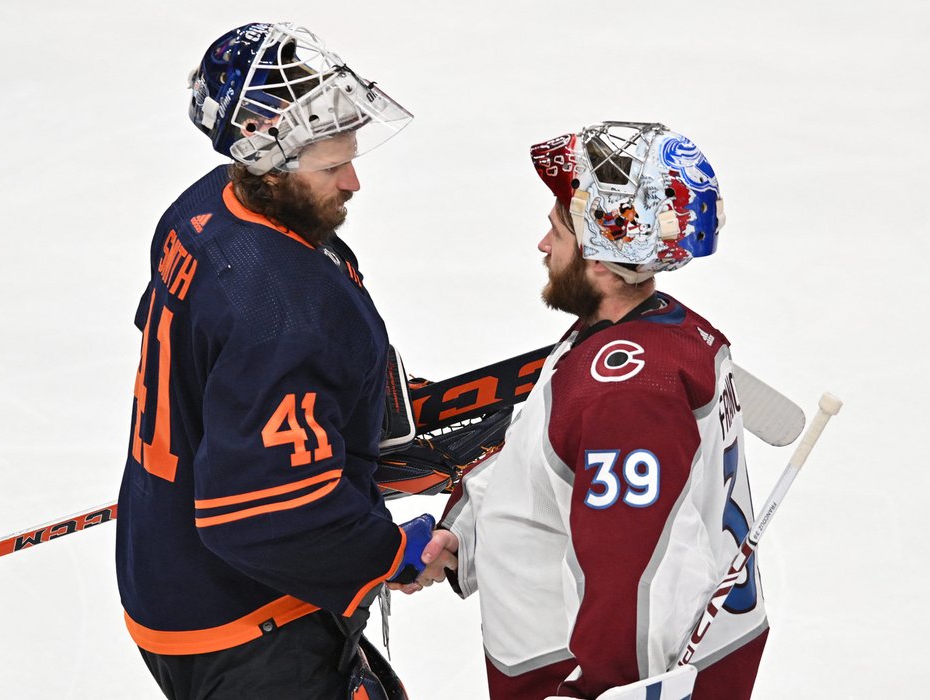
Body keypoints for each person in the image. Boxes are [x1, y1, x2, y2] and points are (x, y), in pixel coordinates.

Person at [115, 22, 433, 700]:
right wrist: (391, 555)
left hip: (166, 574)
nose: (353, 181)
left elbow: (196, 354)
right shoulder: (284, 308)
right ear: (266, 155)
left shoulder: (204, 207)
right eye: (331, 166)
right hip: (245, 625)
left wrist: (340, 401)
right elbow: (259, 517)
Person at [402, 122, 769, 699]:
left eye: (557, 230)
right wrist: (464, 535)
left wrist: (606, 690)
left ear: (601, 255)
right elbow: (549, 459)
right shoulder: (647, 334)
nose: (543, 246)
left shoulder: (626, 392)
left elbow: (640, 575)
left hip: (585, 679)